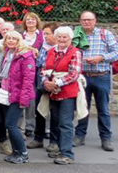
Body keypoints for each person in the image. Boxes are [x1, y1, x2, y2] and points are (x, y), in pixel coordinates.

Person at [73, 11, 116, 152]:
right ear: (80, 21)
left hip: (101, 76)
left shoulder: (105, 34)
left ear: (95, 21)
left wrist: (101, 58)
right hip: (83, 77)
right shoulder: (77, 35)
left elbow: (116, 52)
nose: (87, 22)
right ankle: (79, 136)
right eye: (84, 20)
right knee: (82, 108)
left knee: (103, 109)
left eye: (89, 20)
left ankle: (106, 138)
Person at [38, 26, 82, 165]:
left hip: (67, 92)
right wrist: (46, 82)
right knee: (55, 122)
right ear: (55, 38)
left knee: (65, 123)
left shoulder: (75, 52)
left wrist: (56, 83)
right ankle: (61, 149)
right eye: (59, 37)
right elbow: (44, 69)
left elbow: (74, 74)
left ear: (70, 39)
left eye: (65, 37)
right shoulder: (51, 51)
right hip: (53, 92)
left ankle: (67, 154)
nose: (62, 39)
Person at [0, 31, 36, 164]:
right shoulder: (7, 53)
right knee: (9, 124)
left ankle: (23, 153)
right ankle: (16, 152)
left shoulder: (25, 56)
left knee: (11, 124)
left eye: (14, 39)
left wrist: (24, 99)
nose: (10, 41)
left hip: (19, 96)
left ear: (19, 41)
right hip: (7, 93)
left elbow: (28, 80)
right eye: (8, 38)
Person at [27, 22, 59, 150]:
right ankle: (38, 138)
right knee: (39, 111)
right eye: (44, 33)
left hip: (55, 85)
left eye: (48, 34)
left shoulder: (60, 48)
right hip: (40, 83)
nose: (45, 36)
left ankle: (53, 141)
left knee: (55, 114)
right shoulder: (42, 47)